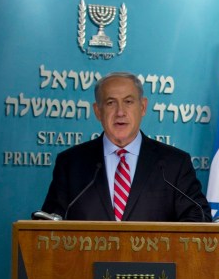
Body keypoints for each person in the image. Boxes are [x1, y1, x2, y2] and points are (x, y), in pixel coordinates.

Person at [40, 71, 209, 221]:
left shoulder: (174, 164)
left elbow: (198, 218)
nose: (120, 112)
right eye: (111, 103)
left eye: (128, 102)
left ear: (142, 107)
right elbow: (51, 223)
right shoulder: (70, 164)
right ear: (98, 111)